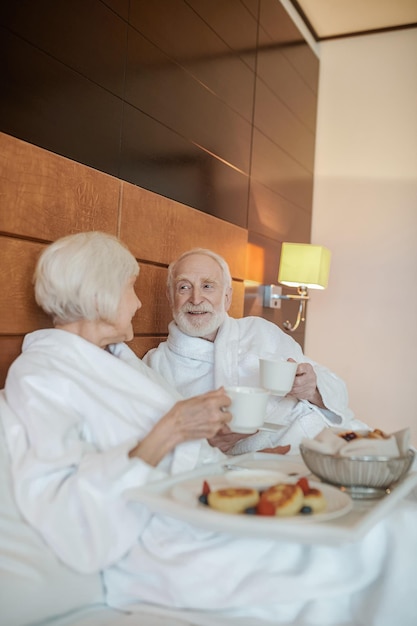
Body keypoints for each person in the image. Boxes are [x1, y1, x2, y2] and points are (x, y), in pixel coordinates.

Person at [3, 231, 416, 626]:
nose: (137, 303)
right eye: (130, 288)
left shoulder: (116, 358)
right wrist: (175, 430)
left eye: (207, 286)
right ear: (99, 296)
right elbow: (66, 511)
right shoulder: (43, 376)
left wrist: (235, 457)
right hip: (170, 535)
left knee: (397, 522)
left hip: (214, 493)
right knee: (390, 537)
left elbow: (188, 444)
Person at [144, 248, 365, 454]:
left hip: (337, 437)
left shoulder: (260, 330)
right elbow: (157, 446)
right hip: (274, 462)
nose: (196, 298)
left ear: (227, 297)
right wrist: (211, 445)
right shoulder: (156, 366)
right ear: (170, 296)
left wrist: (312, 389)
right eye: (184, 287)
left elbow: (338, 391)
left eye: (208, 286)